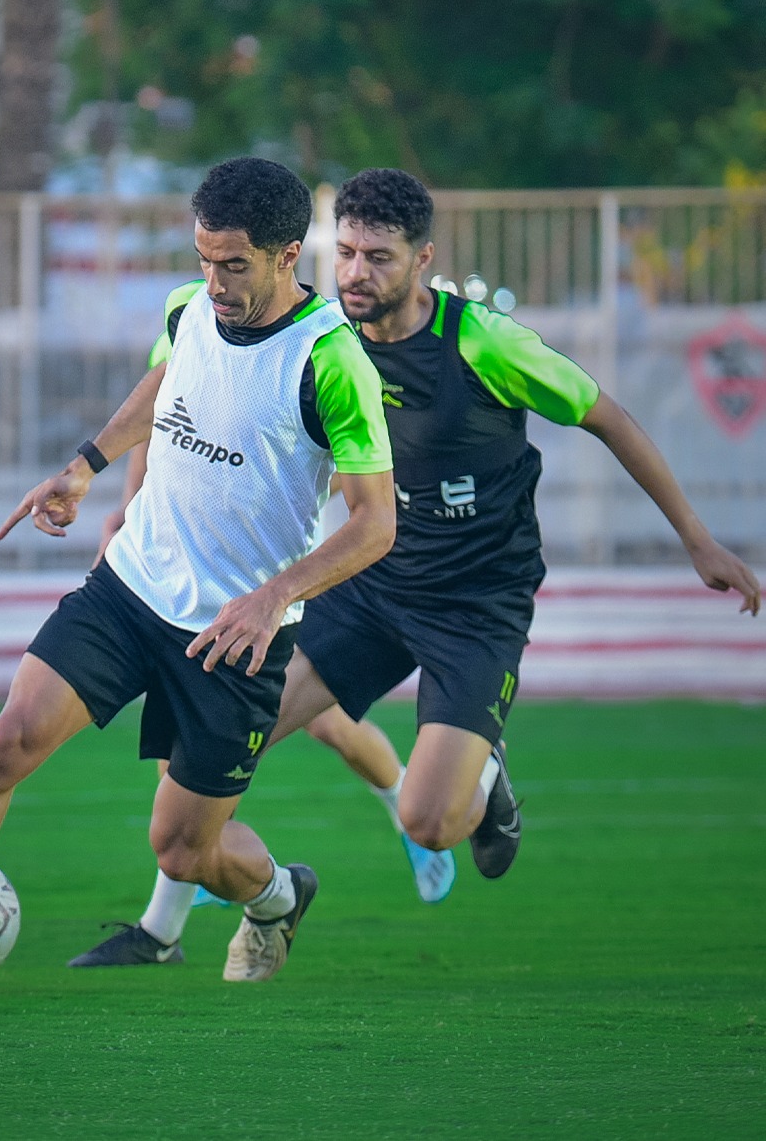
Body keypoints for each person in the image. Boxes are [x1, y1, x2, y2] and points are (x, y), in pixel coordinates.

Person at [73, 166, 762, 968]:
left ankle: (483, 774)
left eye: (380, 258)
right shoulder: (313, 337)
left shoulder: (482, 343)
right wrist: (128, 498)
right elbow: (179, 391)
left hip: (475, 605)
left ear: (423, 260)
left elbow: (609, 417)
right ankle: (161, 933)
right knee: (202, 747)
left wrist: (697, 539)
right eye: (346, 254)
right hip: (365, 588)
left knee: (429, 823)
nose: (356, 273)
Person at [0, 156, 396, 990]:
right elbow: (166, 380)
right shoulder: (190, 307)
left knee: (184, 850)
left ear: (288, 256)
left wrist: (274, 597)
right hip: (129, 590)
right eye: (203, 259)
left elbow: (375, 524)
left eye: (233, 265)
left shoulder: (332, 360)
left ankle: (279, 896)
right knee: (7, 743)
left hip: (232, 637)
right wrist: (85, 467)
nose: (213, 281)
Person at [93, 415, 455, 910]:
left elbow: (349, 472)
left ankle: (402, 810)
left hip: (272, 578)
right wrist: (131, 507)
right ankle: (180, 887)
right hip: (189, 570)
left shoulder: (313, 370)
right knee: (189, 714)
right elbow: (156, 422)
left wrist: (270, 491)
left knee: (321, 723)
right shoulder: (188, 364)